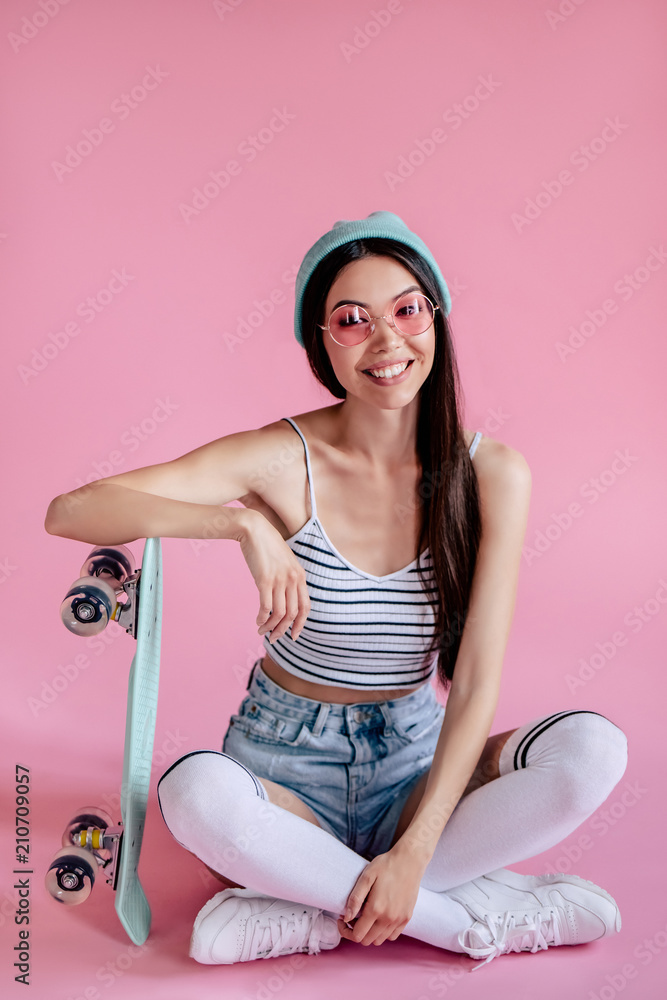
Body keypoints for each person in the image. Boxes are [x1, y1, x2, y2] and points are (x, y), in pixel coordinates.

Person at [45, 211, 628, 971]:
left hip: (416, 778)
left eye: (407, 310)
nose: (387, 342)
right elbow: (73, 510)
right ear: (322, 341)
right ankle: (465, 920)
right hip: (283, 779)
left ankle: (310, 910)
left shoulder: (492, 474)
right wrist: (240, 528)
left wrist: (414, 852)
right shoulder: (280, 459)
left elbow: (478, 679)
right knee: (193, 796)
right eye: (351, 321)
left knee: (593, 749)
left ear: (436, 320)